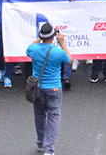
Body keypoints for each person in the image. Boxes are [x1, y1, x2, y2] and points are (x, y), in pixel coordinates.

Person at [27, 23, 72, 155]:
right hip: (54, 89)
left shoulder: (34, 49)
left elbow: (29, 47)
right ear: (53, 36)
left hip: (38, 88)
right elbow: (69, 60)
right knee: (54, 117)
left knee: (39, 116)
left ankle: (41, 142)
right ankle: (49, 149)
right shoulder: (58, 52)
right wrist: (62, 43)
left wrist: (39, 38)